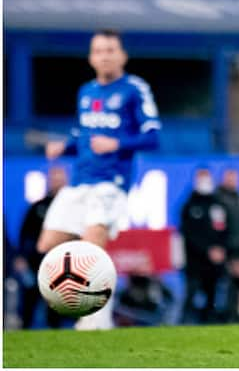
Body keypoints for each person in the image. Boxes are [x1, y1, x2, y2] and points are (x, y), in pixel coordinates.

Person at [39, 29, 161, 330]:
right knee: (47, 245)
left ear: (122, 55)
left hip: (110, 182)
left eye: (110, 50)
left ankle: (97, 318)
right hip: (79, 181)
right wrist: (64, 146)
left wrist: (116, 144)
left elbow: (153, 137)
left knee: (93, 245)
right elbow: (83, 136)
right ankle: (69, 300)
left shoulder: (134, 89)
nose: (105, 56)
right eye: (99, 50)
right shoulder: (87, 92)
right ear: (91, 58)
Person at [16, 166, 67, 329]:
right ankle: (23, 335)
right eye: (54, 178)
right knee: (29, 304)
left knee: (56, 307)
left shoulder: (72, 207)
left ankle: (57, 338)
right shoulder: (38, 206)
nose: (57, 181)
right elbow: (24, 234)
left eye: (60, 177)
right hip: (36, 263)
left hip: (61, 264)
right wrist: (21, 257)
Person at [179, 167, 229, 324]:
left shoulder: (218, 205)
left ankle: (210, 325)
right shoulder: (189, 205)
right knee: (191, 295)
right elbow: (189, 233)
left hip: (214, 263)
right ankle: (184, 325)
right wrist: (207, 250)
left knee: (213, 296)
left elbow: (225, 229)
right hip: (195, 261)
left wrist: (221, 249)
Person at [215, 168, 239, 323]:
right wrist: (221, 246)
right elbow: (217, 226)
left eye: (235, 178)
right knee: (225, 284)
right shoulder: (218, 199)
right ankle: (223, 316)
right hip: (228, 249)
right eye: (230, 178)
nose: (233, 181)